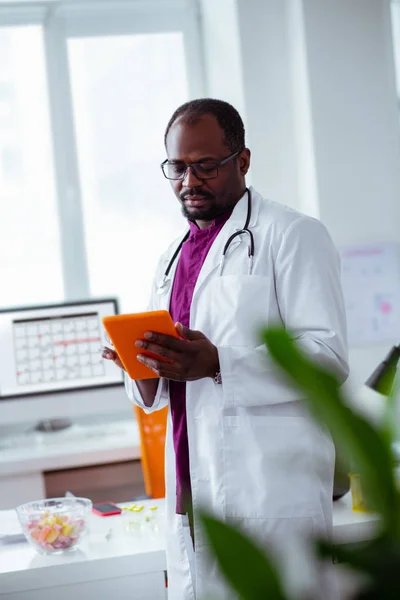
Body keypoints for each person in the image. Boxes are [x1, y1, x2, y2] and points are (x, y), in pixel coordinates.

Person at [102, 98, 349, 600]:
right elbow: (164, 386)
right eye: (177, 167)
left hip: (267, 490)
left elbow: (327, 356)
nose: (189, 181)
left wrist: (220, 362)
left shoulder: (293, 235)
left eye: (205, 166)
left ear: (242, 159)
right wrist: (141, 365)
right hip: (191, 491)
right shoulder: (171, 257)